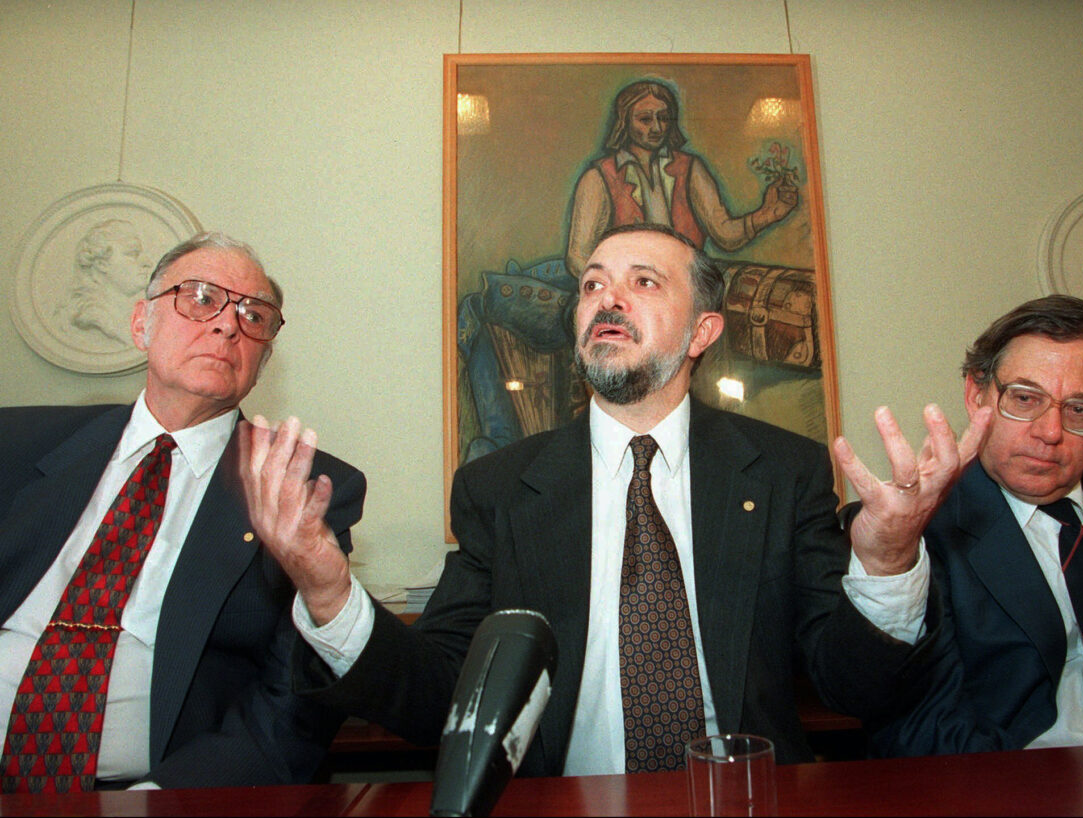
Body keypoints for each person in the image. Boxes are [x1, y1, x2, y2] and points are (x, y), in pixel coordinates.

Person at [243, 224, 989, 777]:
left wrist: (889, 560)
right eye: (594, 283)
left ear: (703, 331)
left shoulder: (782, 472)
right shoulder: (499, 489)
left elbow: (855, 686)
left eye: (643, 282)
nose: (607, 298)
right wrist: (330, 593)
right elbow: (437, 696)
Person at [0, 232, 366, 792]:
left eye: (254, 316)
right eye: (200, 298)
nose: (226, 325)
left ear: (263, 358)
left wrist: (158, 805)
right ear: (140, 325)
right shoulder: (17, 445)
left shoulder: (304, 486)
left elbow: (293, 710)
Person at [869, 295, 1083, 756]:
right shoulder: (921, 530)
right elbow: (922, 731)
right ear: (976, 394)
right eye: (1024, 398)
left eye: (1080, 410)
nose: (1049, 431)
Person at [565, 80, 799, 278]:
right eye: (645, 119)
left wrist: (767, 214)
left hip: (683, 290)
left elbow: (726, 236)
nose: (657, 127)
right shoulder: (598, 177)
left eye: (664, 118)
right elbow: (578, 258)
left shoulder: (691, 168)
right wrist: (623, 283)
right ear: (624, 122)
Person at [57, 219, 154, 343]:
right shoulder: (95, 320)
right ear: (101, 264)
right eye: (133, 254)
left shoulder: (131, 316)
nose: (147, 263)